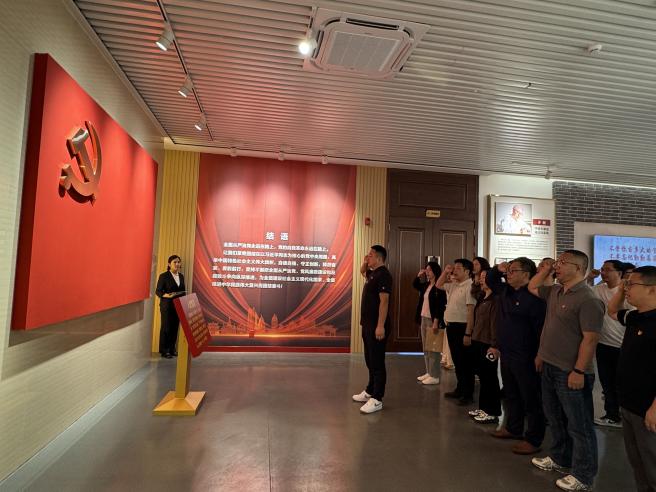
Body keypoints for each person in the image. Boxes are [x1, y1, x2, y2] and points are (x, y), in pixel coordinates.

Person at [528, 251, 605, 492]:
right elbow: (532, 286)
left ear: (579, 268)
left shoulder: (588, 299)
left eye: (562, 263)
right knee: (555, 418)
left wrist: (579, 371)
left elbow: (590, 339)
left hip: (571, 371)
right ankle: (560, 457)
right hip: (550, 364)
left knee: (579, 425)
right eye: (557, 261)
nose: (557, 266)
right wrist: (546, 268)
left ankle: (583, 475)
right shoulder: (556, 291)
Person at [487, 258, 546, 455]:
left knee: (531, 398)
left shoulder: (535, 297)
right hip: (507, 352)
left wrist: (540, 354)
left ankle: (533, 439)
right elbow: (491, 280)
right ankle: (513, 428)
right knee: (511, 393)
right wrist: (498, 268)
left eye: (513, 271)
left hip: (527, 355)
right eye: (508, 271)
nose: (508, 274)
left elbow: (541, 330)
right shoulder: (506, 291)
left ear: (526, 274)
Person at [608, 266, 656, 492]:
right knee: (638, 462)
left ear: (652, 289)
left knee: (652, 464)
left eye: (631, 284)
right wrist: (621, 290)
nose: (626, 288)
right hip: (629, 404)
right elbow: (612, 311)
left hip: (648, 409)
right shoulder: (636, 316)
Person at [587, 260, 627, 427]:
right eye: (602, 269)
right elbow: (583, 292)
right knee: (607, 382)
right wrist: (590, 278)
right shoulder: (599, 289)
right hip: (603, 344)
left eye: (608, 270)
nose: (603, 272)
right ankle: (612, 415)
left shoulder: (626, 292)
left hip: (623, 345)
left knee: (622, 383)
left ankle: (627, 416)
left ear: (619, 273)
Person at [353, 245, 392, 414]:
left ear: (379, 258)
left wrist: (380, 325)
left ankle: (377, 398)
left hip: (377, 325)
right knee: (369, 359)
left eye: (370, 255)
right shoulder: (372, 273)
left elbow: (384, 301)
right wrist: (365, 261)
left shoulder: (384, 275)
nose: (367, 257)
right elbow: (363, 271)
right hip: (367, 324)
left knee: (377, 362)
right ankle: (370, 390)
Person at [437, 259, 477, 406]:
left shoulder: (470, 286)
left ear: (467, 271)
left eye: (458, 268)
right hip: (452, 327)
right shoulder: (454, 284)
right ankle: (460, 389)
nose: (454, 271)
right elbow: (438, 285)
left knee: (466, 362)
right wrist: (445, 272)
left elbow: (470, 312)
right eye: (454, 268)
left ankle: (468, 394)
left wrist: (468, 333)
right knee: (457, 361)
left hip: (462, 327)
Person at [469, 269, 501, 424]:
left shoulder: (496, 300)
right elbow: (474, 289)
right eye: (480, 277)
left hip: (489, 343)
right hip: (479, 341)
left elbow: (495, 324)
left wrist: (495, 345)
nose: (481, 280)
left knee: (490, 377)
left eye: (484, 277)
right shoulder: (482, 296)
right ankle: (483, 408)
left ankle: (492, 411)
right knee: (483, 376)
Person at [413, 261, 447, 385]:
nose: (427, 272)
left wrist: (436, 321)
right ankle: (429, 371)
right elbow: (415, 285)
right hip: (424, 318)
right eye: (426, 270)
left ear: (435, 271)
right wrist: (418, 276)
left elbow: (440, 305)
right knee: (426, 348)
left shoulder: (439, 287)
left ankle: (435, 375)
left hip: (433, 320)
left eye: (429, 270)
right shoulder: (426, 285)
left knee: (434, 349)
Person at [155, 255, 186, 358]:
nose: (177, 264)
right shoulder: (164, 276)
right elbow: (158, 291)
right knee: (166, 327)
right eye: (175, 262)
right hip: (167, 306)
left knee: (175, 327)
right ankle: (165, 350)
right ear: (169, 264)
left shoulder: (181, 276)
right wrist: (166, 295)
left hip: (178, 305)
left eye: (178, 262)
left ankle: (172, 349)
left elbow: (182, 290)